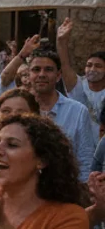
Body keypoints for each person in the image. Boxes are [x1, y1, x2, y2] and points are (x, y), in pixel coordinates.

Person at [27, 50, 95, 180]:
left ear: (58, 75)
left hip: (65, 191)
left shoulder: (78, 112)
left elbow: (85, 160)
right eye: (36, 69)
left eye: (48, 70)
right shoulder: (19, 108)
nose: (42, 74)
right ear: (28, 74)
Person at [55, 19, 105, 125]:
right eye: (89, 65)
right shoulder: (79, 85)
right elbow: (64, 65)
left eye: (98, 66)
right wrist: (61, 42)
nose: (92, 69)